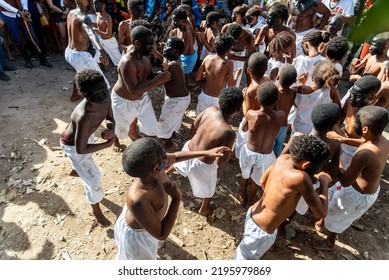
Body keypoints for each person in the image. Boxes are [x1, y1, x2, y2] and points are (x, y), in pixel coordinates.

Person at [114, 137, 229, 260]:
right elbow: (162, 234)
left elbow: (175, 157)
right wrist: (176, 199)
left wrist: (206, 153)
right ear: (156, 169)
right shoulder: (138, 200)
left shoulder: (154, 168)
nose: (167, 156)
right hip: (139, 239)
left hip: (149, 225)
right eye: (163, 154)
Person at [233, 134, 331, 260]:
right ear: (306, 165)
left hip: (254, 214)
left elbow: (263, 181)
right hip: (262, 231)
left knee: (247, 250)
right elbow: (321, 213)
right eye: (318, 167)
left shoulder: (284, 158)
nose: (318, 170)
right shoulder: (300, 178)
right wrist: (324, 182)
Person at [312, 106, 389, 251]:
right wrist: (342, 139)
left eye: (357, 121)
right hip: (367, 189)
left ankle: (329, 242)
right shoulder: (382, 140)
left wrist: (337, 157)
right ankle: (324, 220)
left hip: (356, 194)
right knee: (333, 203)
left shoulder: (364, 155)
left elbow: (345, 181)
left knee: (337, 216)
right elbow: (363, 142)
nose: (354, 124)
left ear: (365, 129)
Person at [173, 87, 243, 216]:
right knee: (208, 190)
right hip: (203, 165)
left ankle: (166, 172)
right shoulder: (228, 132)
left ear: (220, 101)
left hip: (188, 150)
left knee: (179, 165)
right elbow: (222, 160)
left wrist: (192, 140)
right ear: (238, 110)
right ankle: (204, 208)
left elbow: (195, 124)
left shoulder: (210, 110)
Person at [60, 69, 115, 227]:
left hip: (84, 139)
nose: (103, 94)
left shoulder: (105, 99)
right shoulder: (83, 115)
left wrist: (111, 129)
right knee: (93, 180)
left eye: (104, 89)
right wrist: (107, 144)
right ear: (84, 94)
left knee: (85, 165)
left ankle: (77, 170)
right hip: (73, 146)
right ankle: (96, 211)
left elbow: (110, 118)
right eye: (97, 92)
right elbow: (81, 149)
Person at [111, 26, 171, 151]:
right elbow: (133, 90)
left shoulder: (145, 58)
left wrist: (160, 75)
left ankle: (139, 139)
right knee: (118, 128)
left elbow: (148, 77)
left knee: (152, 129)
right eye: (149, 45)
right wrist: (159, 79)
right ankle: (115, 142)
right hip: (123, 102)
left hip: (142, 99)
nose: (153, 48)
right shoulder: (127, 62)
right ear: (137, 44)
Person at [282, 103, 342, 216]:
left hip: (289, 178)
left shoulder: (297, 137)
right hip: (311, 184)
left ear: (312, 119)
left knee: (285, 203)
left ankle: (281, 225)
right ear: (332, 127)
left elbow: (282, 157)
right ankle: (284, 226)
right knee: (296, 209)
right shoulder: (335, 145)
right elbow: (333, 174)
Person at [238, 82, 285, 208]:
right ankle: (250, 200)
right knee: (257, 180)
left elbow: (245, 120)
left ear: (257, 99)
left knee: (245, 174)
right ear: (276, 99)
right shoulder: (281, 116)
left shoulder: (252, 115)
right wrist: (277, 102)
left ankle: (242, 195)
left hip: (249, 151)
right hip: (266, 155)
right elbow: (279, 110)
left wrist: (244, 98)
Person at [328, 75, 381, 168]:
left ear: (372, 97)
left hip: (353, 150)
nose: (352, 98)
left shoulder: (371, 115)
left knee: (342, 172)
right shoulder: (350, 101)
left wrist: (343, 139)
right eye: (351, 94)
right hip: (342, 139)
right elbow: (343, 115)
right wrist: (336, 126)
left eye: (358, 96)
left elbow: (367, 142)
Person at [65, 0, 110, 102]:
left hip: (69, 52)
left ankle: (74, 95)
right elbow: (91, 34)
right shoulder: (84, 18)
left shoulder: (71, 13)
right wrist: (102, 51)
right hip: (80, 55)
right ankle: (105, 110)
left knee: (80, 72)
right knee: (103, 83)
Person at [158, 37, 191, 148]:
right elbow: (164, 61)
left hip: (177, 100)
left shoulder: (173, 65)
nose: (165, 48)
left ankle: (167, 143)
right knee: (173, 119)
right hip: (179, 98)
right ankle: (171, 134)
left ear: (176, 51)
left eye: (168, 46)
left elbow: (161, 77)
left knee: (164, 122)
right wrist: (154, 51)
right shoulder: (174, 62)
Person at [195, 33, 240, 114]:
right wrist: (237, 74)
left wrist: (208, 73)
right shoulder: (228, 64)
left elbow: (197, 77)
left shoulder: (208, 58)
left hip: (204, 96)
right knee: (213, 124)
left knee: (200, 121)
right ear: (228, 50)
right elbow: (231, 85)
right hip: (216, 100)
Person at [293, 60, 341, 134]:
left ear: (313, 78)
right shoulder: (332, 91)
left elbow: (297, 104)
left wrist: (302, 83)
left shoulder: (302, 89)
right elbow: (337, 110)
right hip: (319, 129)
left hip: (299, 127)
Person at [0, 0, 52, 68]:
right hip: (9, 15)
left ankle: (42, 59)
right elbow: (3, 3)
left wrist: (25, 9)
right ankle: (27, 61)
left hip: (22, 12)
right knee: (17, 38)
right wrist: (18, 11)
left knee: (32, 36)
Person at [273, 64, 297, 156]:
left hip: (273, 125)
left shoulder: (274, 92)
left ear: (278, 77)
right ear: (294, 81)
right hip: (284, 126)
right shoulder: (293, 93)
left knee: (269, 148)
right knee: (278, 150)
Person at [221, 23, 255, 87]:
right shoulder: (225, 28)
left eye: (235, 40)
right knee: (222, 77)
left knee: (234, 81)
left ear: (240, 35)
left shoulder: (248, 37)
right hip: (226, 52)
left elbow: (252, 56)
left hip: (239, 56)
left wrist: (235, 57)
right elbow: (220, 42)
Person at [171, 7, 197, 83]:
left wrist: (172, 52)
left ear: (183, 21)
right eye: (173, 20)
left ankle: (186, 88)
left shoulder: (186, 33)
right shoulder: (178, 29)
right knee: (183, 74)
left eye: (175, 20)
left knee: (183, 74)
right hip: (183, 54)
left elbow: (184, 51)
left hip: (188, 58)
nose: (173, 22)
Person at [93, 0, 121, 66]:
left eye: (97, 4)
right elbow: (99, 25)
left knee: (120, 62)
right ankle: (98, 72)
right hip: (102, 41)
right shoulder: (98, 14)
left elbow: (108, 35)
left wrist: (96, 30)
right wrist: (89, 23)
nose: (95, 7)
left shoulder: (108, 18)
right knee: (96, 60)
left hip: (110, 42)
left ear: (103, 5)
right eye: (94, 5)